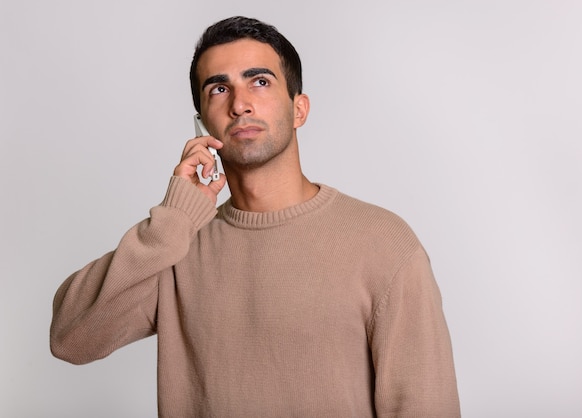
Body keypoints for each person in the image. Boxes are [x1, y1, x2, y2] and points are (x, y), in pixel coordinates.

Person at [50, 16, 461, 417]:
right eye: (218, 89)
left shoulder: (383, 243)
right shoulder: (175, 249)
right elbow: (71, 338)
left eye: (260, 82)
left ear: (298, 109)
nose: (239, 104)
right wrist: (174, 219)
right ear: (201, 124)